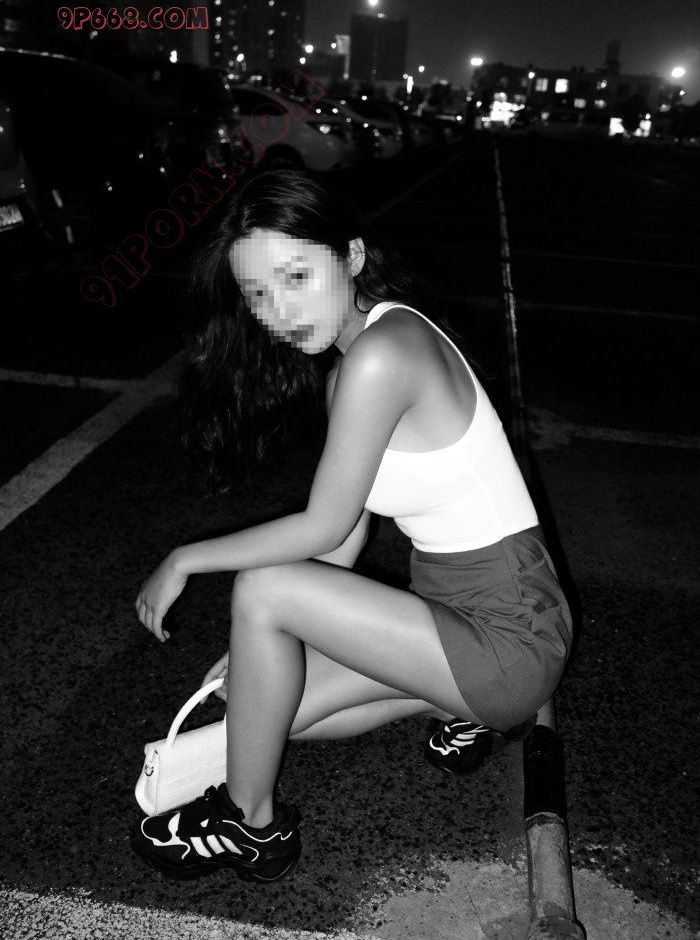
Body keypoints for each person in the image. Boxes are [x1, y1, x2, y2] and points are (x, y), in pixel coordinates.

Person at [130, 168, 573, 883]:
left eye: (296, 276)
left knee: (262, 587)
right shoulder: (355, 361)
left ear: (353, 256)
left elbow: (321, 525)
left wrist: (184, 560)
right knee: (268, 710)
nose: (279, 310)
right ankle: (469, 707)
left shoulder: (382, 355)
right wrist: (259, 649)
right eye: (257, 293)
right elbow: (344, 537)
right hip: (461, 618)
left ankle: (250, 823)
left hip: (509, 633)